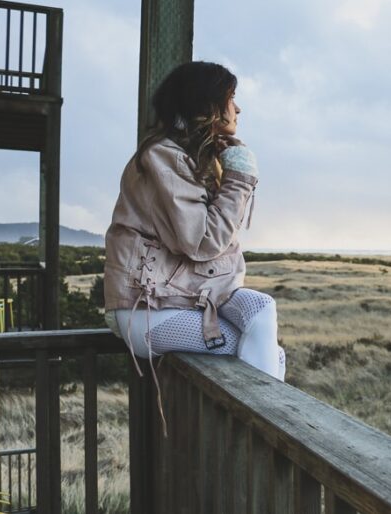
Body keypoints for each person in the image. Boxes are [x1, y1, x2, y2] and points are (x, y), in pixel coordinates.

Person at [103, 61, 285, 431]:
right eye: (231, 99)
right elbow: (202, 242)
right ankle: (262, 432)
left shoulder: (197, 159)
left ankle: (262, 427)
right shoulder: (162, 158)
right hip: (147, 312)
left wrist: (229, 169)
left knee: (262, 310)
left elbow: (217, 258)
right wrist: (240, 179)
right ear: (206, 107)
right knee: (260, 349)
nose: (238, 109)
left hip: (186, 301)